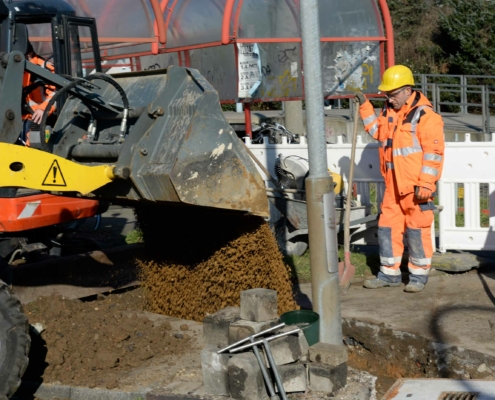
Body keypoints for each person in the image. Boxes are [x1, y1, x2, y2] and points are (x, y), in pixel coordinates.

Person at [355, 65, 445, 293]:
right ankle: (389, 273)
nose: (389, 98)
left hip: (416, 187)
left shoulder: (425, 116)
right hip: (393, 186)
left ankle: (418, 276)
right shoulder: (389, 112)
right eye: (386, 94)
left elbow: (434, 154)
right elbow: (376, 131)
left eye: (392, 94)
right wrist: (365, 106)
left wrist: (426, 183)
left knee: (417, 229)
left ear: (406, 90)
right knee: (387, 227)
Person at [21, 41, 56, 134]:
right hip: (15, 118)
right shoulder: (14, 68)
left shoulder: (45, 68)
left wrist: (42, 109)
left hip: (36, 118)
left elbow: (55, 94)